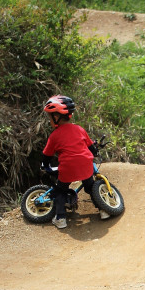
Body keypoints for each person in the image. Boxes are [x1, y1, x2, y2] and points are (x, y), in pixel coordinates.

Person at [41, 95, 110, 229]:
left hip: (67, 168)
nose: (49, 119)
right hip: (86, 165)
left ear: (57, 117)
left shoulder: (54, 136)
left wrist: (45, 165)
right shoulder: (80, 129)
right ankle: (104, 210)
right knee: (90, 186)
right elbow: (91, 148)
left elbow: (46, 155)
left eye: (50, 116)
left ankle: (60, 218)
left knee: (61, 190)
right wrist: (95, 152)